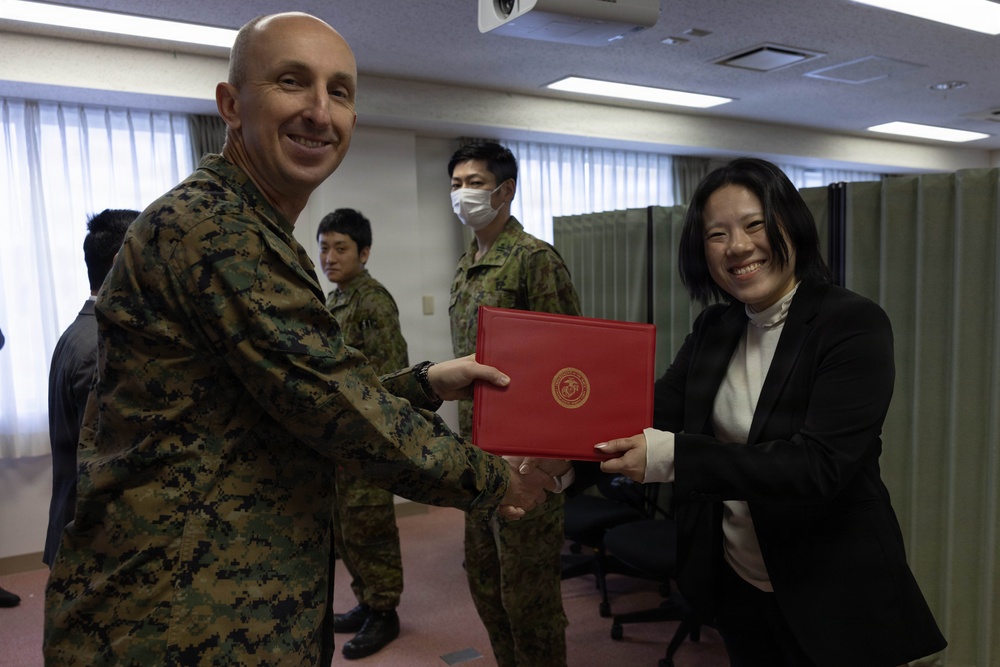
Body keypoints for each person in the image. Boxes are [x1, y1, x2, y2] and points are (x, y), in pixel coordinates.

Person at [42, 14, 553, 665]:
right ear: (231, 105)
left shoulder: (249, 227)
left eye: (339, 92)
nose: (319, 111)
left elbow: (294, 394)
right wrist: (496, 480)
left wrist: (422, 383)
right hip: (178, 617)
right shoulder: (217, 229)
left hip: (218, 597)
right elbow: (338, 410)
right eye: (291, 82)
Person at [597, 157, 947, 666]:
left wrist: (674, 457)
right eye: (717, 234)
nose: (738, 246)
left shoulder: (851, 323)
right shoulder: (716, 327)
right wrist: (558, 456)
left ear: (792, 225)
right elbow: (654, 411)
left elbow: (816, 466)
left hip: (833, 588)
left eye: (754, 224)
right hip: (738, 581)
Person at [448, 140, 580, 667]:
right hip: (474, 454)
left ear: (505, 191)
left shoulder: (533, 259)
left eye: (474, 183)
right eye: (456, 184)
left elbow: (570, 363)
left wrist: (550, 458)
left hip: (525, 460)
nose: (463, 193)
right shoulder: (466, 265)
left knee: (529, 601)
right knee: (486, 584)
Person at [316, 208, 406, 660]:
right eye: (324, 248)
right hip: (339, 442)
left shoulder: (372, 301)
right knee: (348, 530)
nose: (329, 258)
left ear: (363, 253)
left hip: (367, 441)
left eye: (341, 248)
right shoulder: (335, 300)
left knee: (371, 529)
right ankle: (367, 600)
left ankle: (385, 611)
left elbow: (392, 376)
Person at [44, 208, 138, 568]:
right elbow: (107, 462)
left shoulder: (82, 330)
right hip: (94, 544)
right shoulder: (103, 345)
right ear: (120, 261)